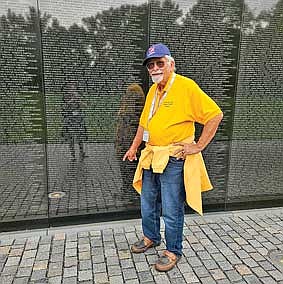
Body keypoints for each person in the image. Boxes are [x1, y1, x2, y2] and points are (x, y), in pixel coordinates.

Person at [123, 43, 223, 272]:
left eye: (159, 63)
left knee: (171, 208)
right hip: (150, 156)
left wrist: (198, 146)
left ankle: (173, 250)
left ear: (171, 64)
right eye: (151, 65)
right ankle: (151, 237)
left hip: (173, 159)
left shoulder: (186, 87)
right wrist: (134, 147)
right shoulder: (153, 90)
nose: (155, 68)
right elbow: (144, 123)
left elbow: (215, 115)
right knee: (147, 202)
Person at [115, 84, 145, 194]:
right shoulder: (142, 110)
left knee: (127, 172)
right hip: (133, 147)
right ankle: (131, 192)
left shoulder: (126, 111)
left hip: (127, 146)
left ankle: (128, 192)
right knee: (133, 172)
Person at [62, 83, 88, 161]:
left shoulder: (78, 97)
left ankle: (82, 152)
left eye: (74, 89)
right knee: (70, 138)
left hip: (78, 119)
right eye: (71, 89)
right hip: (69, 119)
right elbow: (64, 107)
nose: (73, 90)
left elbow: (85, 105)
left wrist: (79, 101)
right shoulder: (65, 97)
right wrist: (71, 101)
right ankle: (73, 155)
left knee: (80, 136)